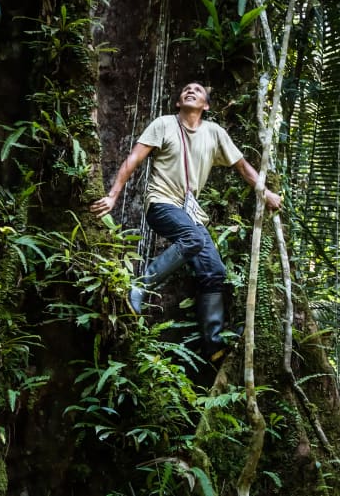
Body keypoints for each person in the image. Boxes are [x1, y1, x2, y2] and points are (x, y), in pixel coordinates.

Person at [90, 82, 282, 360]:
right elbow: (133, 159)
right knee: (192, 238)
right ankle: (140, 286)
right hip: (161, 203)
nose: (190, 91)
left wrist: (265, 193)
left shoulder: (215, 133)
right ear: (179, 103)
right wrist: (112, 196)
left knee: (214, 271)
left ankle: (213, 345)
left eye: (198, 90)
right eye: (185, 90)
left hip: (190, 213)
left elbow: (242, 166)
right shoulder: (163, 124)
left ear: (206, 106)